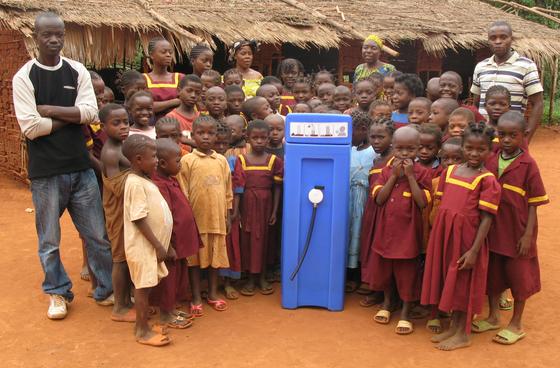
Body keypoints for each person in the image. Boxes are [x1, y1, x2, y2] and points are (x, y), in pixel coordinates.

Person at [12, 12, 113, 319]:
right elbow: (30, 127)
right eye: (47, 35)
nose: (54, 40)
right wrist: (69, 116)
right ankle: (58, 293)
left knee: (97, 235)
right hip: (46, 172)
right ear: (35, 37)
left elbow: (91, 113)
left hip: (81, 168)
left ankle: (106, 290)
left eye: (59, 34)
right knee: (49, 239)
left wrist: (49, 111)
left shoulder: (77, 70)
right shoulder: (24, 76)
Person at [421, 122, 501, 351]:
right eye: (469, 148)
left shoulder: (487, 180)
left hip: (468, 240)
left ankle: (463, 332)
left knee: (464, 284)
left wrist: (474, 250)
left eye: (481, 149)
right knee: (451, 281)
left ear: (489, 150)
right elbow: (442, 204)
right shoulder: (450, 171)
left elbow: (487, 218)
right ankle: (453, 327)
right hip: (446, 235)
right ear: (462, 147)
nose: (474, 154)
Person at [473, 111, 548, 345]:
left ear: (524, 135)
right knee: (493, 274)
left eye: (512, 135)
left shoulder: (529, 164)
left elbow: (535, 203)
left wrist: (528, 235)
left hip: (517, 231)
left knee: (519, 277)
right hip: (493, 229)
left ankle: (516, 323)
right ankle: (494, 316)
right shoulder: (491, 158)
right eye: (501, 134)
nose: (506, 139)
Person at [369, 127, 431, 335]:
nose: (405, 154)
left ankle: (406, 311)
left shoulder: (422, 173)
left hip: (409, 235)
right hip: (386, 231)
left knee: (407, 273)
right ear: (393, 147)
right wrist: (394, 177)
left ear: (418, 149)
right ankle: (387, 303)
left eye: (410, 149)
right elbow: (379, 199)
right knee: (386, 269)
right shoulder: (386, 171)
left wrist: (411, 177)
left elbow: (423, 203)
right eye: (400, 148)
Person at [177, 116, 233, 315]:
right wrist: (187, 219)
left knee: (214, 260)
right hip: (196, 221)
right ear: (192, 136)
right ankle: (196, 297)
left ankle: (212, 294)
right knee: (194, 261)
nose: (206, 137)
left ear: (216, 136)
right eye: (201, 133)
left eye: (210, 133)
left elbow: (228, 190)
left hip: (217, 220)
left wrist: (228, 215)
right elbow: (183, 192)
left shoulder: (221, 161)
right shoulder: (187, 160)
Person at [122, 134, 173, 346]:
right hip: (143, 248)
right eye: (153, 157)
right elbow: (139, 218)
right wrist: (159, 246)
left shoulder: (143, 179)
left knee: (148, 284)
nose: (156, 161)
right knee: (142, 289)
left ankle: (144, 325)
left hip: (150, 248)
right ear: (138, 159)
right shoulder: (134, 183)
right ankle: (141, 330)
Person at [151, 138, 201, 329]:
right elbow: (164, 217)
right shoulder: (159, 186)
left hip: (180, 240)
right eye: (178, 160)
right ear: (163, 163)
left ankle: (171, 309)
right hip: (170, 242)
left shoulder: (170, 179)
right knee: (168, 280)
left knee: (178, 276)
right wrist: (168, 244)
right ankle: (165, 314)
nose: (181, 164)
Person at [471, 21, 543, 143]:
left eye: (503, 37)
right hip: (484, 138)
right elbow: (476, 103)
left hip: (511, 138)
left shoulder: (526, 66)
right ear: (488, 40)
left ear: (511, 39)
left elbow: (538, 103)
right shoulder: (481, 66)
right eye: (493, 38)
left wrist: (526, 138)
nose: (498, 41)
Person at [233, 120, 283, 296]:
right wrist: (237, 211)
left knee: (264, 241)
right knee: (247, 240)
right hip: (247, 204)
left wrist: (274, 211)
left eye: (263, 138)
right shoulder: (241, 159)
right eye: (255, 138)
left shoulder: (274, 161)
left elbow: (277, 187)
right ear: (247, 138)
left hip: (266, 204)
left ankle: (262, 277)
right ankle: (250, 279)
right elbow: (238, 188)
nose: (259, 141)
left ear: (268, 139)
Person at [99, 103, 135, 323]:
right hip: (118, 212)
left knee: (129, 257)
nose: (123, 127)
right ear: (103, 127)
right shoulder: (111, 152)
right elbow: (118, 187)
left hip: (128, 211)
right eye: (116, 123)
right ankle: (120, 307)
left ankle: (128, 300)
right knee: (120, 259)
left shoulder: (123, 147)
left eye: (126, 122)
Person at [360, 117, 395, 307]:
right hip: (372, 211)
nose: (376, 141)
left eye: (381, 137)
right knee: (371, 250)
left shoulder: (394, 160)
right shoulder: (377, 159)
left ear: (392, 137)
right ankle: (375, 288)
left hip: (387, 213)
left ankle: (386, 295)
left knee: (384, 253)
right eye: (372, 137)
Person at [346, 111, 376, 292]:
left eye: (350, 132)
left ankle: (360, 274)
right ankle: (348, 273)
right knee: (348, 232)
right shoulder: (347, 148)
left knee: (362, 233)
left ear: (363, 130)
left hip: (365, 199)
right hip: (347, 197)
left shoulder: (374, 151)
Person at [213, 123, 242, 300]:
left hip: (228, 210)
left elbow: (237, 188)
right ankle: (211, 283)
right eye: (218, 143)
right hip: (210, 211)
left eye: (225, 143)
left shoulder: (231, 160)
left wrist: (234, 212)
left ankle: (228, 282)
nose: (221, 147)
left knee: (229, 247)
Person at [143, 37, 184, 120]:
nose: (168, 55)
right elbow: (143, 108)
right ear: (151, 55)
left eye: (170, 52)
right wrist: (174, 102)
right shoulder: (143, 79)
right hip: (150, 127)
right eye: (163, 52)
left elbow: (186, 104)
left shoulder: (180, 78)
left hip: (177, 125)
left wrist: (157, 105)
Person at [166, 74, 202, 146]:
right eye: (189, 91)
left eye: (197, 93)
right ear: (179, 91)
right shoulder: (171, 118)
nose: (193, 95)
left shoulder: (201, 117)